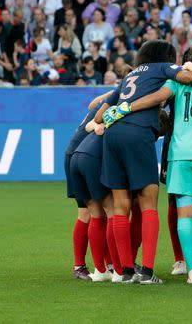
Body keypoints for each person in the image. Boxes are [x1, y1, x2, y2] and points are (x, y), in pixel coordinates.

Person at [107, 40, 192, 284]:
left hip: (179, 154)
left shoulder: (176, 81)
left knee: (184, 213)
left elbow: (155, 98)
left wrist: (126, 107)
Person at [94, 40, 192, 284]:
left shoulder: (129, 77)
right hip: (138, 133)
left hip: (112, 135)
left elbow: (99, 115)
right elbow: (188, 78)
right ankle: (147, 272)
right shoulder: (162, 67)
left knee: (121, 204)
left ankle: (126, 270)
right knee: (149, 202)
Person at [64, 92, 114, 280]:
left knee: (97, 210)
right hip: (83, 153)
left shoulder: (109, 100)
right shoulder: (120, 99)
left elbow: (92, 104)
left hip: (77, 152)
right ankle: (82, 265)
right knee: (90, 212)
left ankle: (103, 264)